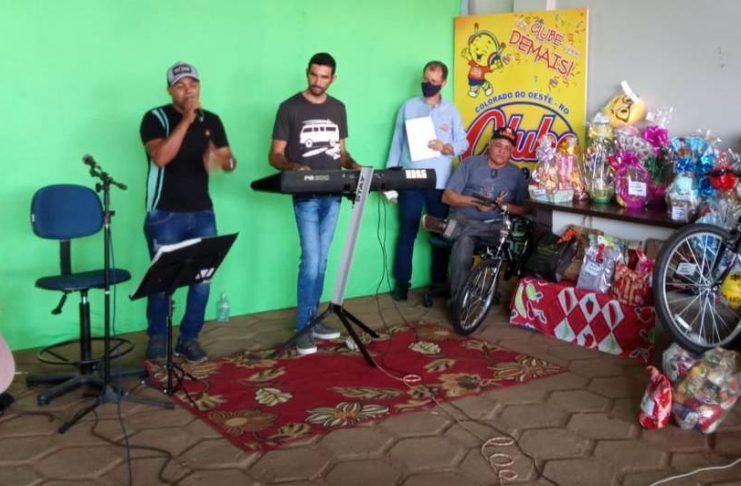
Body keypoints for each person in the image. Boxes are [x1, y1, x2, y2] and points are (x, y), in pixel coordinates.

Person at [140, 62, 237, 363]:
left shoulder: (213, 120)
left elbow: (229, 161)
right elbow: (160, 157)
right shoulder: (155, 118)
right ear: (169, 90)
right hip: (165, 213)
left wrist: (224, 162)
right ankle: (158, 338)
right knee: (161, 283)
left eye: (193, 85)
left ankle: (189, 339)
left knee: (203, 280)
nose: (188, 91)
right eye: (180, 86)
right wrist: (186, 120)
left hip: (202, 213)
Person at [269, 52, 361, 355]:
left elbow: (341, 153)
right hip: (306, 195)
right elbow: (275, 155)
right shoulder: (289, 107)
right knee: (311, 259)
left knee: (321, 260)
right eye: (313, 74)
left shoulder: (339, 108)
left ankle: (314, 320)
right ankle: (302, 329)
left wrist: (356, 167)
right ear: (307, 72)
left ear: (333, 78)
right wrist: (293, 167)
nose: (317, 81)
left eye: (324, 77)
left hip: (333, 194)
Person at [385, 61, 469, 301]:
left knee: (441, 232)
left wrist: (446, 147)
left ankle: (438, 282)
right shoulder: (408, 106)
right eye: (425, 80)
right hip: (411, 179)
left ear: (443, 83)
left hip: (440, 182)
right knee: (407, 230)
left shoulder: (451, 111)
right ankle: (402, 283)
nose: (428, 85)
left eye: (433, 82)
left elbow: (463, 143)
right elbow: (397, 142)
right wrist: (391, 178)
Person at [433, 126, 528, 301]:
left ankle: (447, 228)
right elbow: (447, 197)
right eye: (498, 145)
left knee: (466, 233)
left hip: (493, 228)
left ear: (512, 152)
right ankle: (459, 302)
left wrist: (504, 206)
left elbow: (525, 209)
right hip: (464, 219)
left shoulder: (516, 174)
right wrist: (476, 203)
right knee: (464, 240)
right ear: (489, 145)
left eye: (507, 148)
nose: (502, 151)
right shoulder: (469, 164)